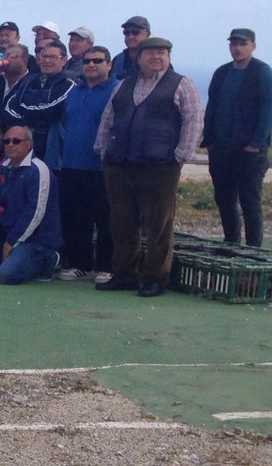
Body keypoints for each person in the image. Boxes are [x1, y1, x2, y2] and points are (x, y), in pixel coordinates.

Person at [94, 37, 204, 297]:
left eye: (162, 53)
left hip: (161, 166)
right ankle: (125, 275)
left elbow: (193, 120)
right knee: (121, 222)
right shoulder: (124, 85)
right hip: (120, 163)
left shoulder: (182, 84)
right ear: (139, 58)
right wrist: (103, 149)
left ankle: (155, 278)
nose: (156, 57)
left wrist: (181, 155)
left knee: (159, 225)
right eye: (151, 53)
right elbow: (108, 118)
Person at [0, 126, 62, 284]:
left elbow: (35, 214)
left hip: (37, 238)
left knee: (7, 276)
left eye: (16, 141)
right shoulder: (3, 168)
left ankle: (49, 259)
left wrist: (11, 241)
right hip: (10, 228)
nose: (10, 145)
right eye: (7, 141)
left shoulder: (39, 170)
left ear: (29, 144)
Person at [201, 28, 270, 247]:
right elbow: (212, 106)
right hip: (221, 148)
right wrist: (209, 140)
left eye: (242, 44)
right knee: (224, 199)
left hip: (249, 151)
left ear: (253, 46)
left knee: (250, 200)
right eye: (233, 44)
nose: (237, 48)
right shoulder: (222, 72)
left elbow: (267, 110)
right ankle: (231, 244)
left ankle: (253, 250)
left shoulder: (262, 72)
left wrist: (256, 143)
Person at [56, 51, 117, 280]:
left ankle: (106, 266)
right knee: (75, 218)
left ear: (109, 64)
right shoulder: (74, 91)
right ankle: (79, 264)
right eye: (87, 61)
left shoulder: (116, 90)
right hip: (71, 163)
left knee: (106, 219)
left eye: (97, 61)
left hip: (103, 166)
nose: (91, 64)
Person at [7, 40, 75, 160]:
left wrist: (24, 114)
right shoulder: (28, 81)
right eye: (44, 56)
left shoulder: (70, 82)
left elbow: (51, 110)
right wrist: (28, 118)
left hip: (54, 150)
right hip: (24, 146)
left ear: (64, 60)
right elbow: (9, 107)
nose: (47, 61)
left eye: (52, 57)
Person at [0, 45, 32, 127]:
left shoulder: (32, 82)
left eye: (13, 56)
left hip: (18, 131)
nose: (8, 59)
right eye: (6, 55)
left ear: (24, 60)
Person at [109, 15, 150, 82]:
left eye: (135, 32)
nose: (130, 36)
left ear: (147, 34)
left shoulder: (155, 59)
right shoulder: (117, 59)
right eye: (126, 33)